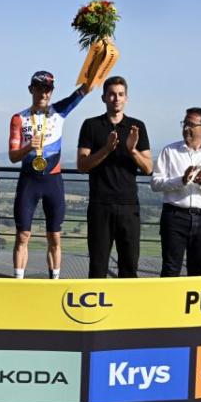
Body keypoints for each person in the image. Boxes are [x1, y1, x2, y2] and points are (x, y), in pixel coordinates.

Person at [9, 70, 89, 279]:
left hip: (53, 180)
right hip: (29, 181)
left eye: (48, 89)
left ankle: (54, 280)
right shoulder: (18, 119)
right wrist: (28, 148)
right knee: (23, 235)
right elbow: (12, 157)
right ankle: (18, 282)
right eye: (40, 88)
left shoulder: (59, 111)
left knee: (54, 236)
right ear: (31, 89)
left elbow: (83, 91)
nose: (44, 93)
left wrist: (98, 62)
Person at [77, 76, 152, 278]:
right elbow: (82, 165)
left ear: (126, 98)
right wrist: (106, 149)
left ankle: (127, 308)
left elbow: (148, 168)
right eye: (111, 94)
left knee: (129, 265)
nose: (116, 98)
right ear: (103, 98)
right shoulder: (91, 125)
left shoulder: (137, 127)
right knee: (98, 265)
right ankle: (96, 309)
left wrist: (132, 150)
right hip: (100, 204)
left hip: (128, 205)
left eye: (120, 94)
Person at [150, 107, 201, 277]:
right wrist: (182, 181)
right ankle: (168, 304)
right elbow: (155, 183)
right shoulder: (169, 151)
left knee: (198, 271)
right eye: (184, 124)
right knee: (170, 269)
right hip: (174, 216)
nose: (186, 128)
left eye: (191, 125)